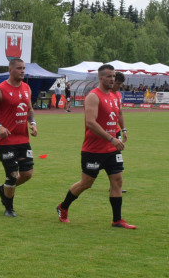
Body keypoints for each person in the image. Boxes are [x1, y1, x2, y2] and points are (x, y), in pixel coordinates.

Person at [56, 64, 136, 229]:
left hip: (111, 149)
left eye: (113, 76)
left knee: (118, 180)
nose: (112, 79)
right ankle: (63, 206)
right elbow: (90, 123)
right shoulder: (93, 96)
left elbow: (116, 116)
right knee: (86, 183)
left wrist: (121, 131)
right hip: (94, 149)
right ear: (100, 78)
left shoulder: (114, 96)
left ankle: (117, 220)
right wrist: (111, 138)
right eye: (109, 76)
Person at [0, 57, 37, 218]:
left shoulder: (26, 88)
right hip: (5, 141)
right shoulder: (1, 89)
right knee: (12, 174)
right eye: (19, 68)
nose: (22, 71)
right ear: (10, 70)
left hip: (23, 140)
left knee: (27, 174)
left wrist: (33, 123)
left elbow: (29, 109)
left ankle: (3, 189)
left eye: (24, 68)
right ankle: (9, 208)